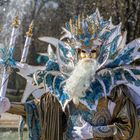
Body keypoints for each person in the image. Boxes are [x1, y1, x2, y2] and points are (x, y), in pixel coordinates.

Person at [1, 9, 140, 140]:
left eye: (92, 51)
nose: (87, 56)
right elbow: (38, 109)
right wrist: (9, 106)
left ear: (101, 52)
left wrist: (94, 132)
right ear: (75, 54)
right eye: (82, 52)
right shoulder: (66, 86)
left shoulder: (114, 87)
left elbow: (128, 127)